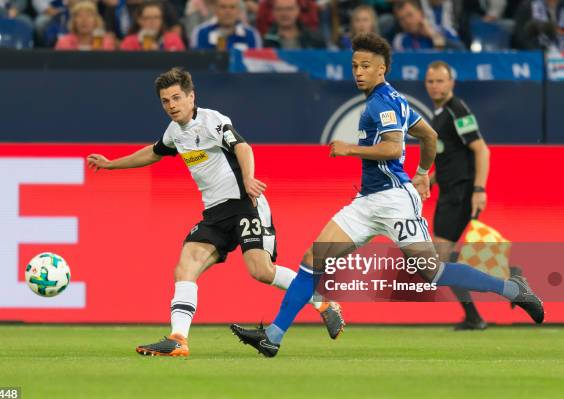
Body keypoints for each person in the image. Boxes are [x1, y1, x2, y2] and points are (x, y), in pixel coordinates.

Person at [230, 33, 544, 358]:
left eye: (366, 65)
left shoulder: (381, 102)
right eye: (354, 65)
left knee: (432, 271)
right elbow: (429, 136)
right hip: (367, 201)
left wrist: (350, 148)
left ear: (382, 70)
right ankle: (273, 337)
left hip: (395, 201)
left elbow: (394, 147)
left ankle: (512, 289)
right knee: (313, 260)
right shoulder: (394, 99)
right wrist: (423, 173)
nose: (358, 71)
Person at [87, 68, 345, 357]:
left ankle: (324, 301)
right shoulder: (174, 133)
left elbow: (244, 147)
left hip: (245, 204)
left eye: (176, 98)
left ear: (191, 97)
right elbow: (154, 152)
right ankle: (178, 339)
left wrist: (248, 178)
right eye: (165, 101)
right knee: (184, 268)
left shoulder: (213, 121)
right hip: (214, 214)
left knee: (261, 271)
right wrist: (112, 164)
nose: (171, 105)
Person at [424, 60, 491, 330]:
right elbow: (449, 157)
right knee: (441, 259)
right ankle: (475, 314)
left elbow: (481, 150)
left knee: (438, 258)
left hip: (461, 193)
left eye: (440, 81)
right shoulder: (439, 115)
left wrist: (479, 189)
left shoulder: (457, 110)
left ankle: (487, 304)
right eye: (430, 81)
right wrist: (428, 180)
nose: (435, 86)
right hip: (448, 192)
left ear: (451, 82)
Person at [392, 0, 465, 51]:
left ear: (421, 13)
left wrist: (433, 36)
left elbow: (462, 51)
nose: (407, 21)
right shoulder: (400, 40)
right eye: (401, 19)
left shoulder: (445, 31)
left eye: (410, 15)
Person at [190, 0, 261, 50]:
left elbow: (257, 65)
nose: (228, 11)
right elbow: (198, 63)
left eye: (232, 7)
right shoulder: (201, 32)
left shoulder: (251, 34)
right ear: (215, 9)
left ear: (238, 10)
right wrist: (221, 40)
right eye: (223, 7)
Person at [120, 1, 185, 51]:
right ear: (139, 20)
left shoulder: (173, 39)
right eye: (148, 18)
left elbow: (181, 64)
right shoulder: (129, 42)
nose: (152, 21)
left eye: (156, 17)